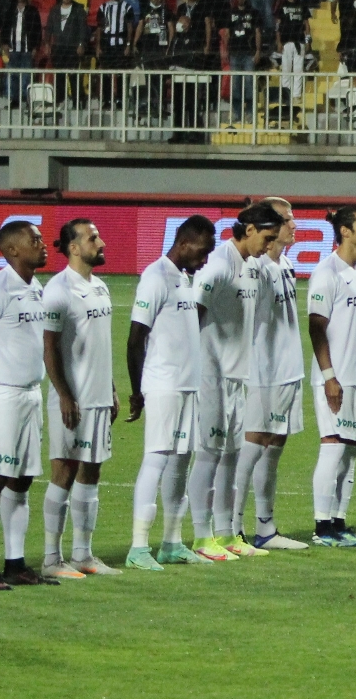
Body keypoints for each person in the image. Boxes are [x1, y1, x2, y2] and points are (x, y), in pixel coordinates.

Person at [185, 205, 285, 563]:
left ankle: (227, 533)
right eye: (267, 238)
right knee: (209, 454)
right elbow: (192, 315)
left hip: (237, 375)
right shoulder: (217, 266)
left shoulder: (255, 268)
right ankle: (201, 535)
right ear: (250, 229)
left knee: (231, 454)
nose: (270, 245)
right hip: (209, 374)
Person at [0, 220, 58, 593]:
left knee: (22, 479)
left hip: (30, 392)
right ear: (13, 250)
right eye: (34, 239)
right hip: (1, 393)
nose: (43, 243)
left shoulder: (37, 287)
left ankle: (16, 562)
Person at [123, 215, 217, 571]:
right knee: (156, 459)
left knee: (181, 461)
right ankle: (137, 547)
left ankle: (172, 542)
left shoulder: (183, 278)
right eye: (203, 251)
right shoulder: (155, 277)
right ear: (184, 243)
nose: (205, 259)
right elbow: (135, 339)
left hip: (188, 385)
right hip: (163, 384)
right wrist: (137, 391)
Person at [39, 219, 122, 579]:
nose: (101, 242)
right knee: (64, 472)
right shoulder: (59, 290)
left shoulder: (100, 287)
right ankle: (50, 558)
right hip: (72, 400)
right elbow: (49, 348)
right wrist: (64, 395)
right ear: (74, 248)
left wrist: (112, 389)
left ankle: (83, 554)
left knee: (92, 471)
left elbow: (100, 346)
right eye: (93, 238)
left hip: (99, 397)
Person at [231, 199, 311, 551]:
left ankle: (266, 528)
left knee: (274, 448)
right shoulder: (256, 266)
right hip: (263, 370)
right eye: (288, 219)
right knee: (252, 446)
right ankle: (231, 527)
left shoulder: (285, 264)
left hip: (288, 370)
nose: (294, 224)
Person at [307, 206, 356, 547]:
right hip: (337, 377)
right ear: (345, 231)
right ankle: (322, 528)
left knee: (350, 450)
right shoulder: (327, 272)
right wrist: (329, 377)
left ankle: (339, 522)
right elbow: (316, 327)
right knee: (333, 447)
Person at [94, 0, 136, 110]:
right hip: (107, 43)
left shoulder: (127, 7)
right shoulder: (103, 7)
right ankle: (107, 100)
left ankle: (120, 100)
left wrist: (128, 44)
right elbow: (99, 28)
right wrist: (98, 46)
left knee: (121, 73)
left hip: (121, 43)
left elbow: (129, 28)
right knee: (107, 72)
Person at [2, 0, 41, 110]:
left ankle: (26, 101)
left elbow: (37, 30)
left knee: (26, 77)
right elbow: (5, 28)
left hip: (26, 50)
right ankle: (14, 101)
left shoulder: (33, 11)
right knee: (12, 76)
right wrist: (5, 44)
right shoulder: (10, 11)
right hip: (13, 50)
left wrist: (35, 47)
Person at [273, 0, 309, 105]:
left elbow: (306, 25)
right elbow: (277, 25)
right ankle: (286, 95)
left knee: (299, 70)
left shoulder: (302, 4)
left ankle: (296, 95)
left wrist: (308, 40)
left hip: (299, 41)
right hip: (286, 42)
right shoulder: (282, 5)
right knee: (286, 70)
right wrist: (278, 42)